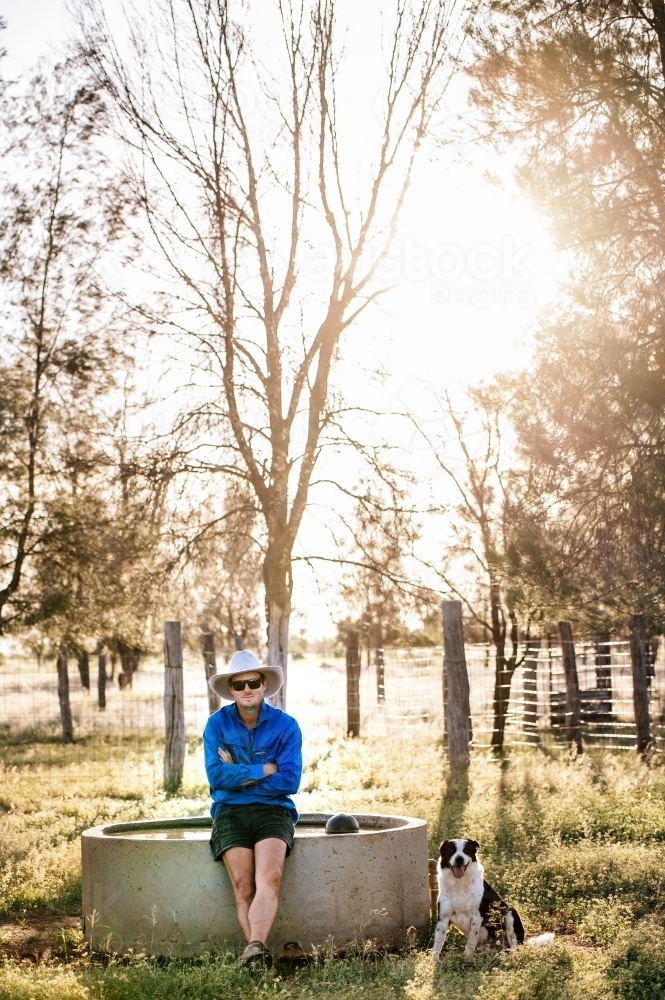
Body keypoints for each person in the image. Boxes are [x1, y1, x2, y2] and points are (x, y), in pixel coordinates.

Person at [203, 650, 302, 968]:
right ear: (231, 690)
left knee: (270, 877)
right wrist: (263, 769)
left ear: (263, 685)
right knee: (243, 885)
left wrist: (239, 775)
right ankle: (256, 955)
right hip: (229, 810)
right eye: (239, 684)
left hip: (274, 809)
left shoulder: (286, 726)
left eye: (253, 682)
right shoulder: (216, 725)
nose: (247, 688)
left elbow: (289, 780)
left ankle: (254, 948)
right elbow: (216, 777)